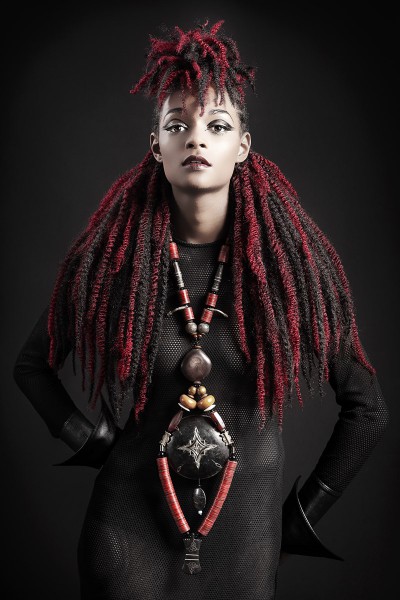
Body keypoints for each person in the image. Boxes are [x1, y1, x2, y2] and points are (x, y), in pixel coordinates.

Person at [13, 19, 389, 600]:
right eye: (177, 125)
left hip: (244, 544)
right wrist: (92, 442)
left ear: (243, 146)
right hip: (126, 535)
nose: (196, 139)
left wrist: (300, 518)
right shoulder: (115, 262)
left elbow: (367, 411)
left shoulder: (289, 270)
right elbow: (31, 366)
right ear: (156, 146)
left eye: (216, 125)